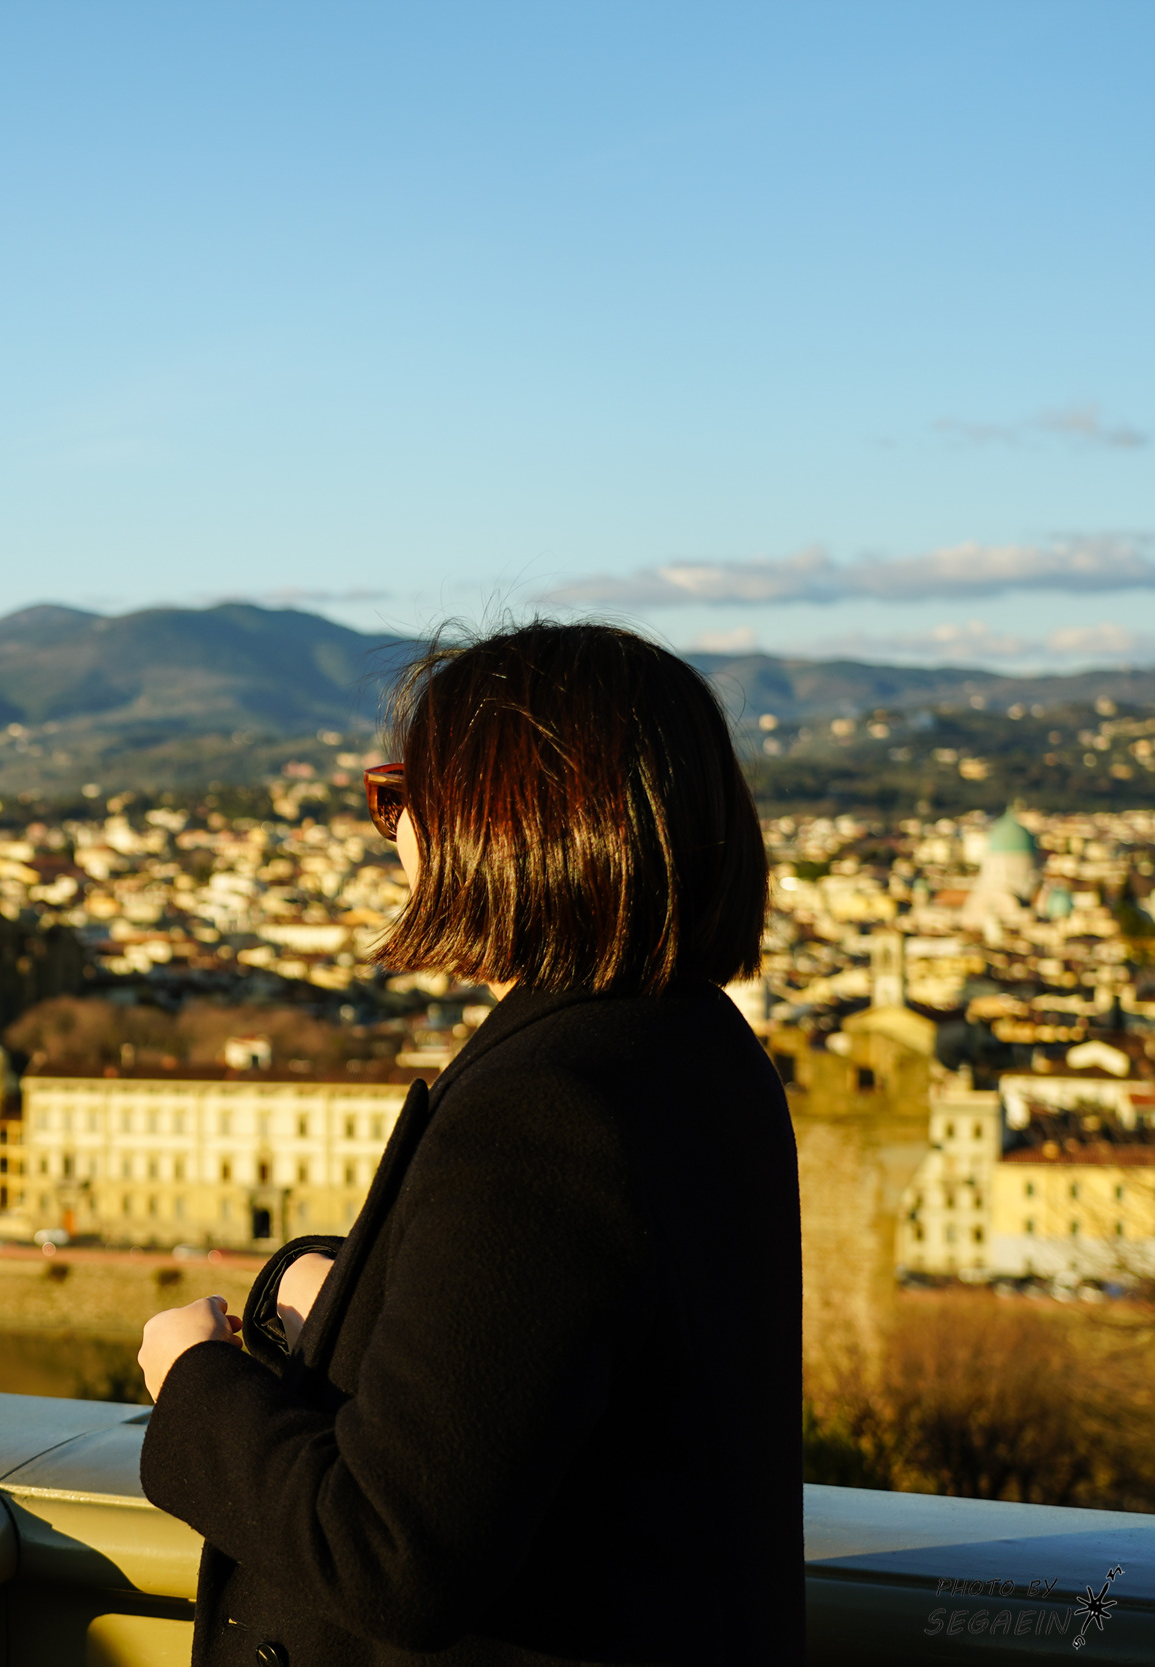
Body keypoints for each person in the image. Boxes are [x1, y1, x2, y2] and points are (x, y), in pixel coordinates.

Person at [136, 621, 801, 1667]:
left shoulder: (544, 1106)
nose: (391, 830)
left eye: (403, 795)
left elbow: (388, 1551)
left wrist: (194, 1382)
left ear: (507, 820)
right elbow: (563, 1348)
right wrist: (352, 1295)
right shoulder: (697, 1047)